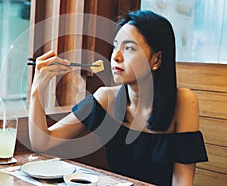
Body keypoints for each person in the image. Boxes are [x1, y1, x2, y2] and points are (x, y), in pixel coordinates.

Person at [28, 10, 208, 186]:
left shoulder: (184, 102)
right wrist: (37, 88)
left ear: (156, 59)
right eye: (115, 46)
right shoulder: (106, 98)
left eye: (129, 48)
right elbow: (43, 142)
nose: (116, 56)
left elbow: (182, 180)